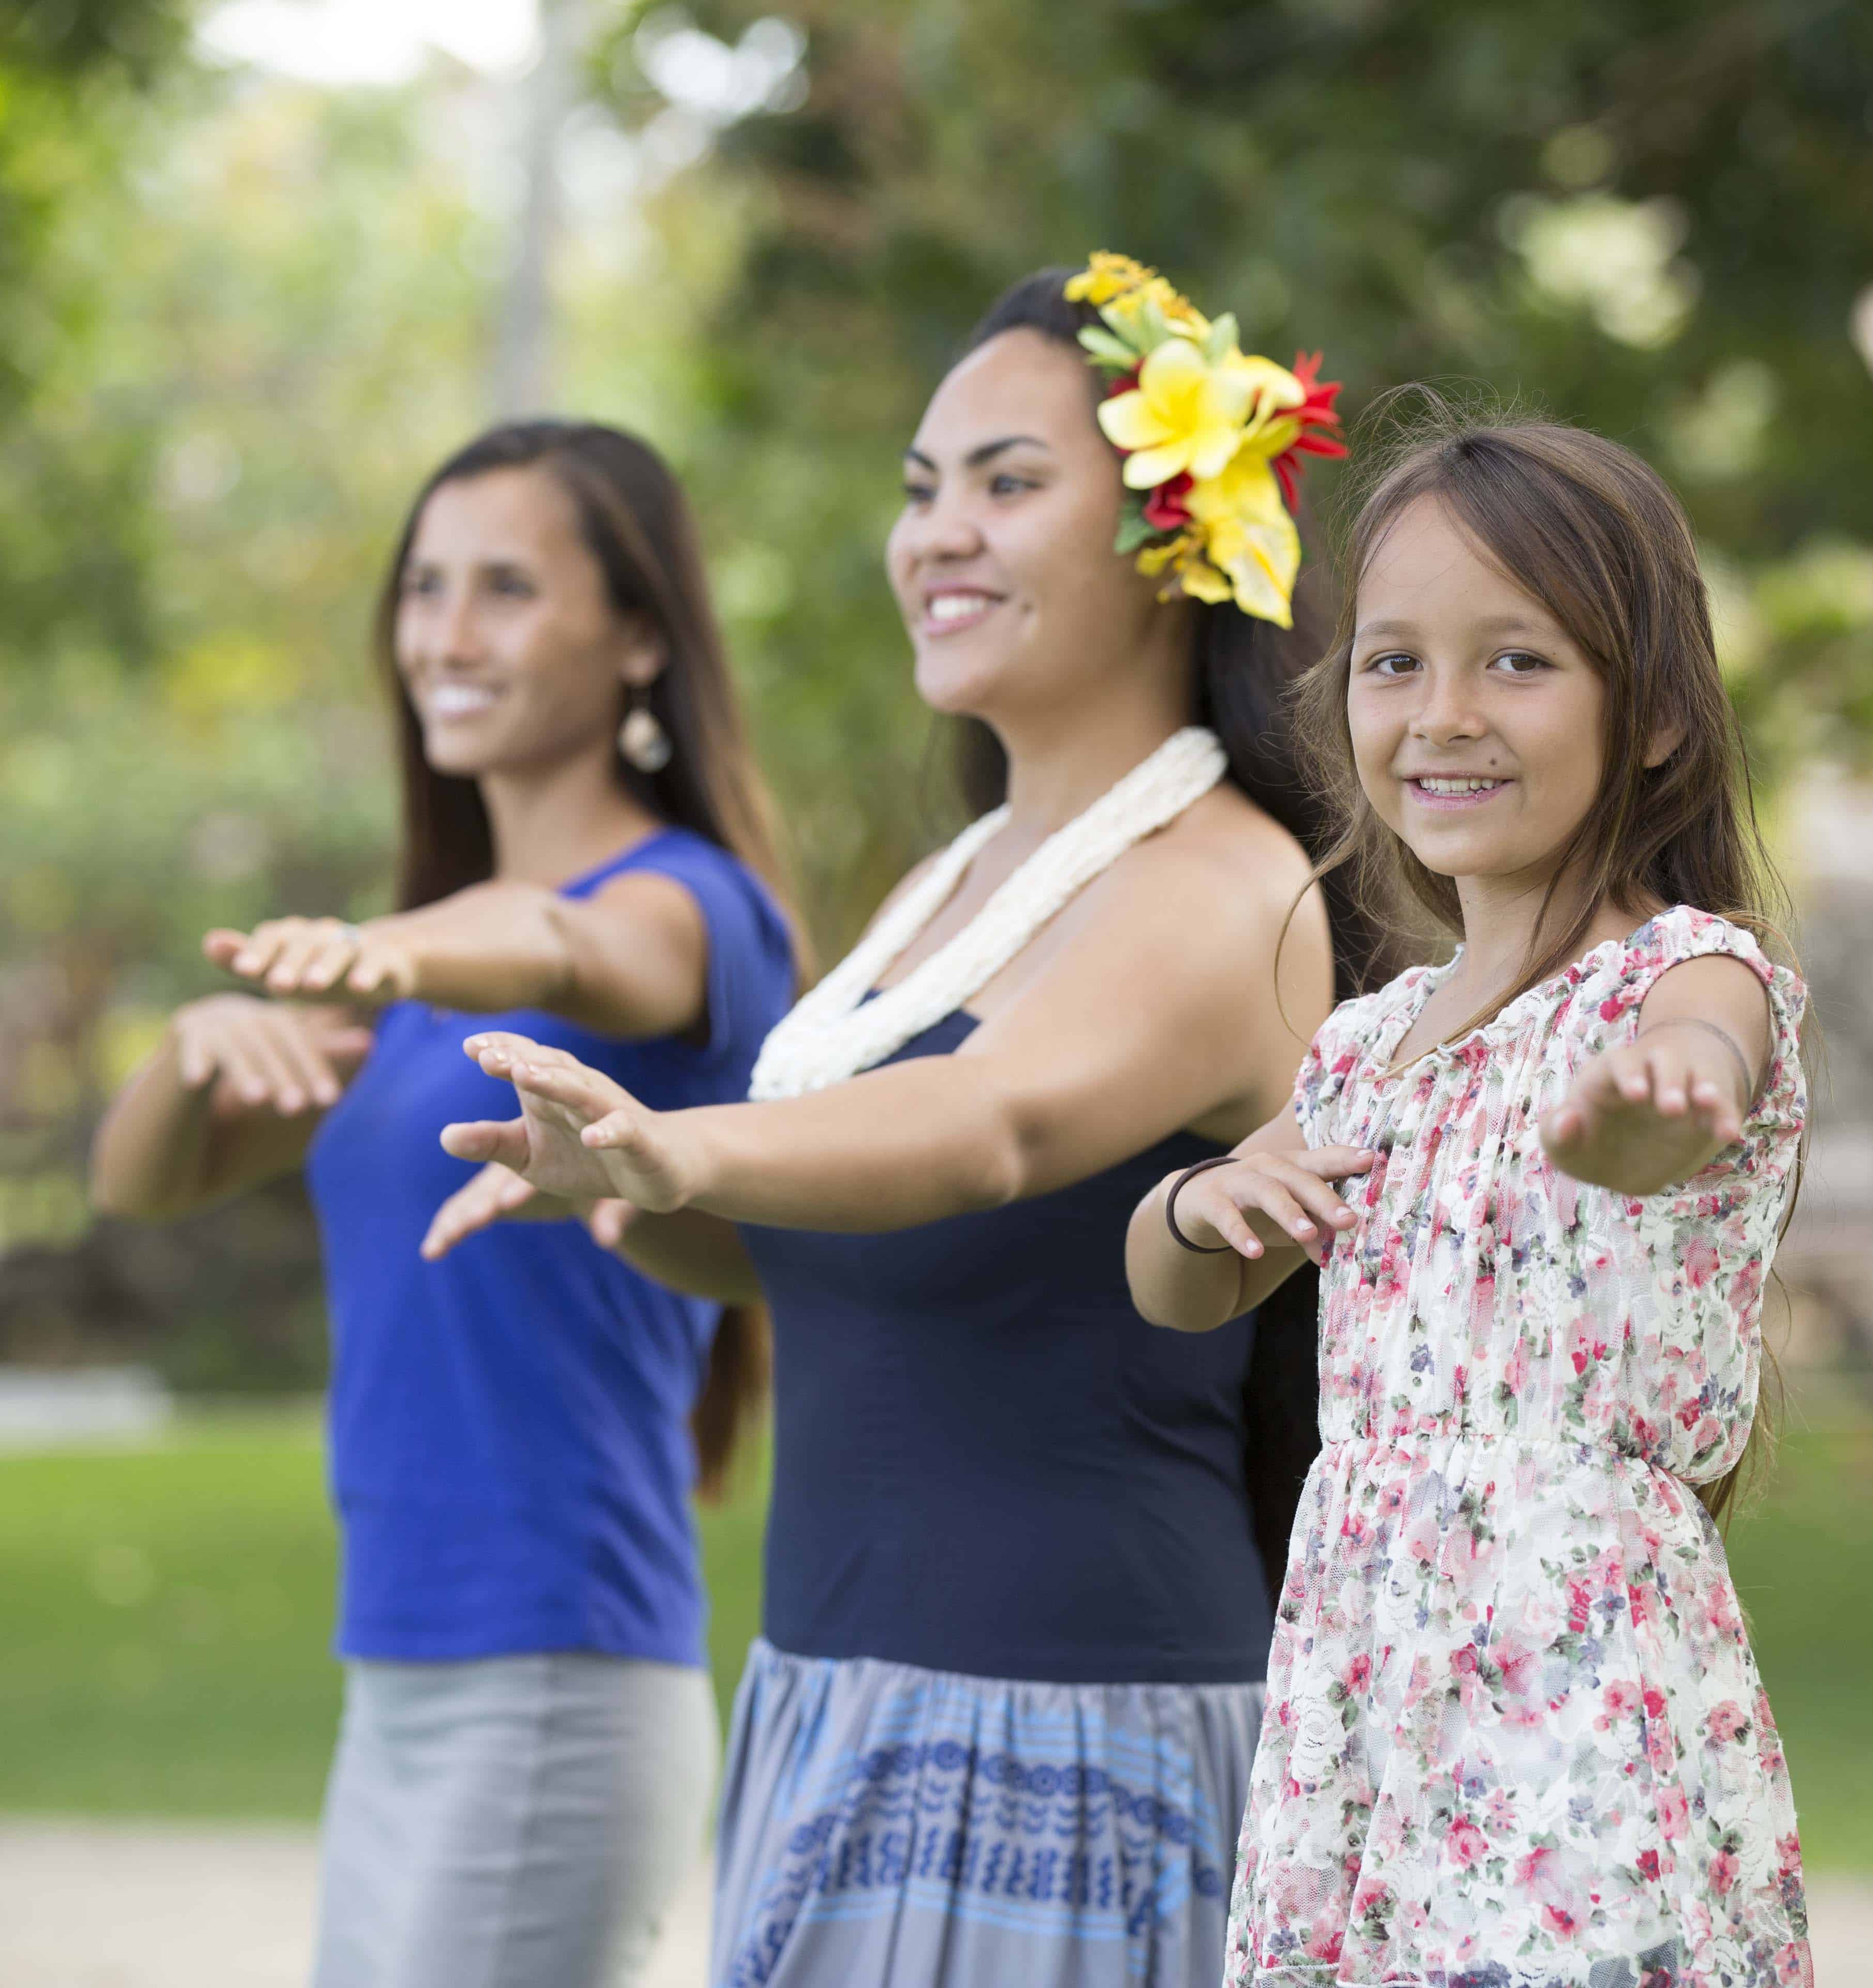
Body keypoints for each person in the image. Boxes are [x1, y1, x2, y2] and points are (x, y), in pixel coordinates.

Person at [424, 256, 1382, 1988]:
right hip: (834, 1702)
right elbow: (860, 1240)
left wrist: (683, 1142)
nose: (937, 533)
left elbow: (993, 1126)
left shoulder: (1222, 880)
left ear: (1177, 528)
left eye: (1009, 485)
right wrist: (625, 1198)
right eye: (921, 489)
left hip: (1069, 1744)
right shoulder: (953, 885)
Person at [86, 420, 802, 1988]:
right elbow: (140, 1183)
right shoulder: (412, 979)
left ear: (635, 639)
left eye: (504, 589)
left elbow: (566, 941)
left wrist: (396, 951)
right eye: (424, 588)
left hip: (554, 1663)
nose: (445, 635)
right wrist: (194, 1052)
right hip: (403, 1665)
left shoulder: (690, 907)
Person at [1126, 421, 1815, 1987]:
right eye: (1394, 665)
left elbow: (1691, 1076)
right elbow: (1178, 1292)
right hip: (1365, 1696)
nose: (1444, 716)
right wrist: (1206, 1198)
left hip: (1565, 1701)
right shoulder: (1370, 1043)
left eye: (1517, 663)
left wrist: (1653, 1115)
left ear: (1648, 716)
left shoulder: (1682, 977)